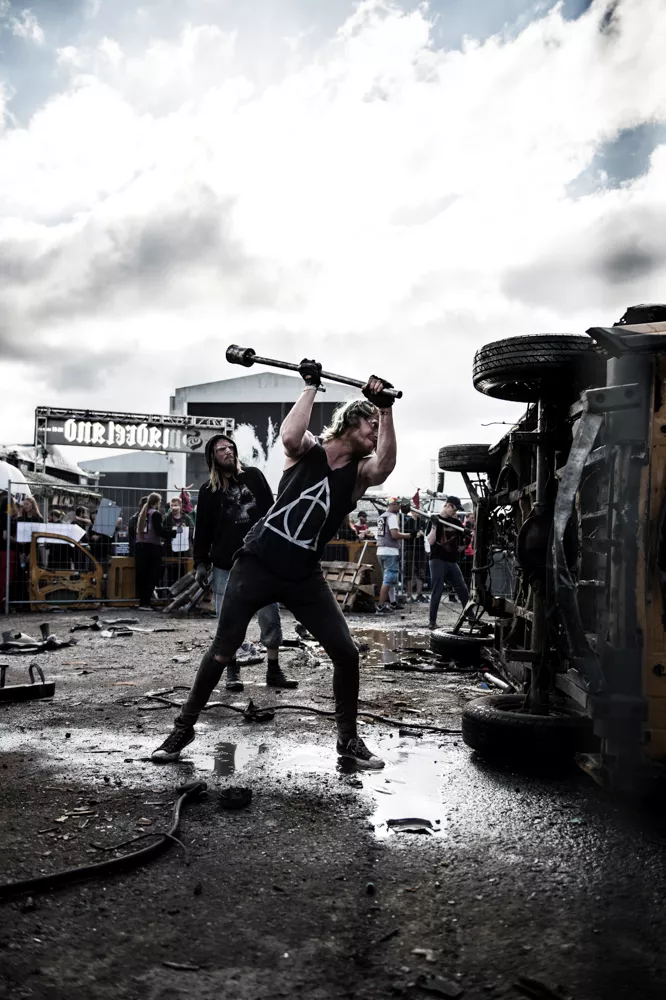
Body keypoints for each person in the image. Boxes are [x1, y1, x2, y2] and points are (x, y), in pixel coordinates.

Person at [152, 364, 397, 769]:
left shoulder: (359, 474)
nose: (376, 431)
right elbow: (289, 437)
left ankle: (348, 740)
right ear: (351, 421)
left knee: (346, 653)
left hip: (303, 575)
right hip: (257, 563)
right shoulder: (310, 449)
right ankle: (183, 728)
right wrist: (311, 386)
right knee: (223, 649)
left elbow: (384, 464)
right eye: (371, 422)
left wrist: (385, 409)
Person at [192, 434, 296, 692]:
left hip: (259, 560)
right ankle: (232, 670)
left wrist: (279, 549)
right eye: (221, 449)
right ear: (212, 457)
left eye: (230, 447)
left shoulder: (254, 476)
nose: (228, 451)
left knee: (270, 615)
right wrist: (200, 563)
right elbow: (202, 530)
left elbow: (272, 513)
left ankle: (273, 670)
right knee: (227, 621)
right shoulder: (207, 491)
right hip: (225, 564)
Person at [427, 496, 471, 630]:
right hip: (437, 560)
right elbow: (431, 541)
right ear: (448, 505)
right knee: (437, 590)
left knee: (463, 589)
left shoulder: (455, 522)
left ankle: (472, 618)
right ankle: (432, 622)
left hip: (452, 561)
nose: (455, 512)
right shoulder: (434, 519)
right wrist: (434, 525)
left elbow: (465, 540)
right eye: (454, 509)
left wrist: (467, 536)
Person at [134, 493, 176, 609]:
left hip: (140, 545)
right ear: (157, 502)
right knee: (152, 575)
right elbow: (159, 531)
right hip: (152, 547)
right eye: (160, 501)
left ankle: (143, 601)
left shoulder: (143, 513)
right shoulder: (155, 514)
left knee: (142, 575)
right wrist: (173, 533)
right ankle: (146, 601)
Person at [375, 497, 413, 614]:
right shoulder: (392, 517)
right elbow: (394, 535)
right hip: (390, 551)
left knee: (388, 579)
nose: (399, 506)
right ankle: (381, 606)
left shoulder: (382, 517)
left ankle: (393, 603)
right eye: (397, 504)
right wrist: (410, 535)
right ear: (392, 504)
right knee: (389, 579)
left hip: (380, 550)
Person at [163, 496, 194, 588]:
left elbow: (192, 530)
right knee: (171, 576)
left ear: (180, 506)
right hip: (171, 552)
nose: (174, 507)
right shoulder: (166, 518)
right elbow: (163, 531)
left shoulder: (187, 518)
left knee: (184, 576)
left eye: (176, 505)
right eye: (172, 505)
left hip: (184, 551)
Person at [400, 498, 427, 603]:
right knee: (409, 571)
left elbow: (427, 534)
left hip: (421, 549)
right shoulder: (408, 523)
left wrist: (423, 534)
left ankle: (419, 593)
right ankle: (409, 594)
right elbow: (405, 536)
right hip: (411, 549)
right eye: (415, 510)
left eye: (418, 510)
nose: (417, 512)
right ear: (411, 511)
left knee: (421, 571)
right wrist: (413, 535)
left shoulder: (423, 522)